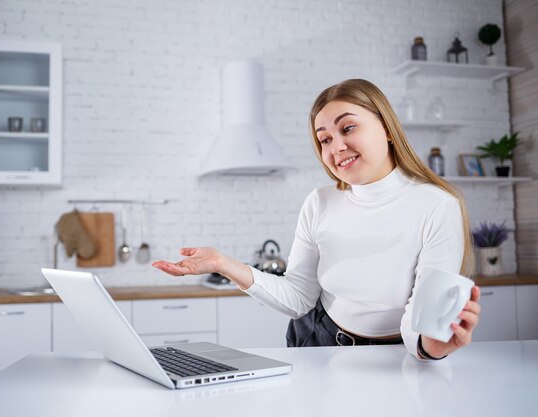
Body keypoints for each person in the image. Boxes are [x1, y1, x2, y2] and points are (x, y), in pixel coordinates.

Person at [152, 79, 481, 360]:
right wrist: (223, 263)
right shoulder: (320, 202)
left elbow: (420, 319)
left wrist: (429, 344)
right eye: (324, 139)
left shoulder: (437, 206)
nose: (336, 146)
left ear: (387, 129)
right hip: (316, 343)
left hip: (397, 355)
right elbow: (299, 297)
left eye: (347, 128)